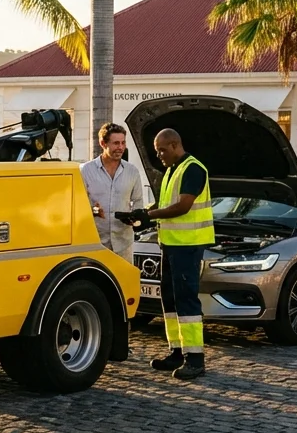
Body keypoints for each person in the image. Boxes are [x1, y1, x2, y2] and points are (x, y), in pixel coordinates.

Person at [142, 128, 213, 381]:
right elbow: (164, 206)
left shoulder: (193, 169)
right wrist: (141, 215)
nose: (159, 155)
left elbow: (182, 206)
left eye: (162, 150)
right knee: (170, 300)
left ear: (174, 145)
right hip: (171, 244)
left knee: (186, 300)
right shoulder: (172, 170)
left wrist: (149, 216)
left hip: (188, 245)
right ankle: (176, 351)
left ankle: (195, 358)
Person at [80, 123, 146, 264]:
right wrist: (93, 210)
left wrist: (134, 217)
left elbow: (138, 201)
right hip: (95, 243)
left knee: (124, 284)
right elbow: (77, 205)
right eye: (116, 143)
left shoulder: (132, 171)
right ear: (103, 143)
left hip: (124, 244)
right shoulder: (85, 170)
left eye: (123, 143)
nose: (121, 147)